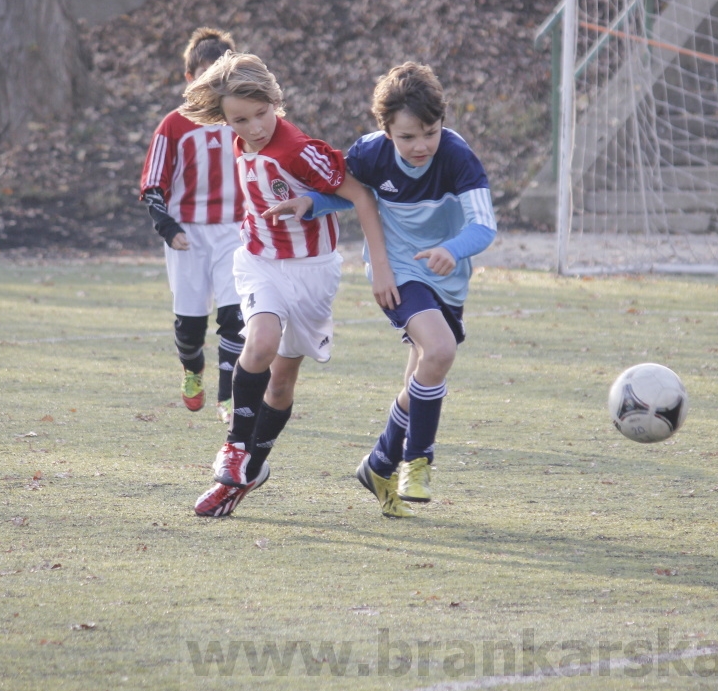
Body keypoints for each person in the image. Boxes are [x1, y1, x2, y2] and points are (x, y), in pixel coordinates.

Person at [265, 62, 495, 518]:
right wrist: (312, 202)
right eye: (407, 136)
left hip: (447, 277)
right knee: (440, 351)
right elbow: (347, 191)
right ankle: (417, 460)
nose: (420, 145)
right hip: (398, 274)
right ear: (386, 130)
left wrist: (453, 248)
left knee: (425, 371)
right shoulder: (370, 154)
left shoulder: (456, 156)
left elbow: (484, 225)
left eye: (429, 132)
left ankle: (379, 462)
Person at [180, 51, 397, 518]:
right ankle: (236, 449)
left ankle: (249, 472)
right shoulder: (241, 141)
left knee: (281, 382)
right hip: (259, 261)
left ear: (275, 103)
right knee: (259, 342)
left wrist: (379, 264)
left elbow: (359, 194)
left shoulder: (298, 149)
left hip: (312, 271)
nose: (254, 127)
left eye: (262, 114)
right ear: (224, 118)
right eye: (240, 119)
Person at [138, 28, 245, 423]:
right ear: (189, 78)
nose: (213, 82)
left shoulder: (245, 118)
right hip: (188, 235)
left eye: (222, 74)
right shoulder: (174, 125)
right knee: (190, 325)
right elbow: (153, 181)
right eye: (205, 74)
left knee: (237, 317)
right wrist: (167, 227)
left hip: (236, 230)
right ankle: (191, 369)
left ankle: (229, 396)